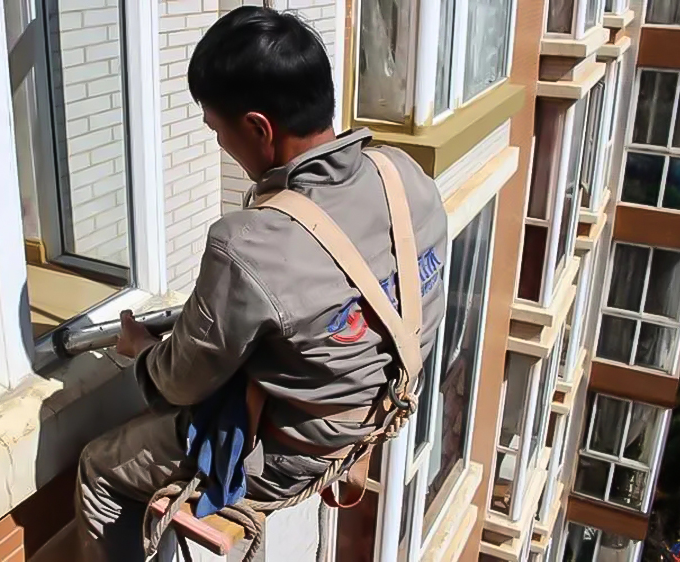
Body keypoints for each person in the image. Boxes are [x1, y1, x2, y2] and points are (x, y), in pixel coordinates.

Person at [69, 6, 448, 560]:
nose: (220, 144)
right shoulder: (403, 174)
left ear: (258, 127)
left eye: (217, 130)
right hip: (379, 414)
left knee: (99, 471)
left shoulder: (250, 244)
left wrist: (142, 353)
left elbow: (179, 384)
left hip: (297, 454)